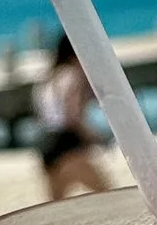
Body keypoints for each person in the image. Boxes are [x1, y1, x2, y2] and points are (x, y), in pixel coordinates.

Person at [34, 32, 111, 200]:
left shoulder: (48, 77)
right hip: (67, 144)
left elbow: (43, 115)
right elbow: (72, 116)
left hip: (46, 143)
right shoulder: (74, 75)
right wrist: (95, 137)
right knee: (108, 195)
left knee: (56, 204)